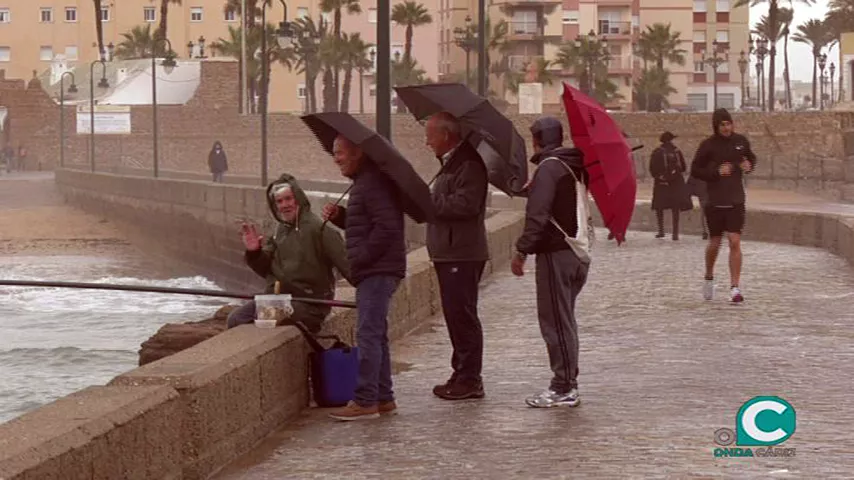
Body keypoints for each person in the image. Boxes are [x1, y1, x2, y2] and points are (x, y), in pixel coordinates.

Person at [322, 135, 407, 421]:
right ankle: (383, 398)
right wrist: (341, 217)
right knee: (377, 335)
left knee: (368, 335)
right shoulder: (366, 183)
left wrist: (360, 258)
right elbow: (369, 223)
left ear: (358, 153)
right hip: (379, 268)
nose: (335, 158)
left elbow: (388, 228)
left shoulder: (370, 184)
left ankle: (365, 400)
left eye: (339, 152)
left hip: (377, 270)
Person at [510, 116, 591, 408]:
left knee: (556, 322)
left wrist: (522, 251)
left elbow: (539, 215)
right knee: (564, 320)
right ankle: (567, 382)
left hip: (556, 254)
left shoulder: (549, 168)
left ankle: (564, 386)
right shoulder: (573, 168)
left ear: (537, 140)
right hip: (578, 254)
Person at [227, 173, 351, 332]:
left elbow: (348, 266)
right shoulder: (280, 230)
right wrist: (254, 251)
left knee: (268, 320)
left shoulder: (320, 230)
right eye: (279, 201)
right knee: (236, 319)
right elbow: (265, 269)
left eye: (288, 199)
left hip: (309, 304)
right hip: (278, 299)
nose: (284, 205)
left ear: (298, 199)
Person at [423, 112, 490, 401]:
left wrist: (428, 202)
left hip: (461, 254)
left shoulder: (469, 165)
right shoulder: (452, 163)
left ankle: (470, 379)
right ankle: (460, 372)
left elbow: (467, 205)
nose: (427, 142)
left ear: (446, 135)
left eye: (430, 136)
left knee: (462, 316)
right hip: (449, 252)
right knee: (454, 316)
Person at [690, 108, 756, 303]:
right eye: (722, 125)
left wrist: (749, 166)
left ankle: (735, 287)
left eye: (729, 124)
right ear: (716, 126)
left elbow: (750, 158)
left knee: (734, 241)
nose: (726, 128)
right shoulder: (707, 146)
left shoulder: (740, 142)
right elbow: (695, 170)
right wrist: (716, 172)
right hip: (715, 201)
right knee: (715, 243)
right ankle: (709, 276)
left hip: (736, 199)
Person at [649, 131, 692, 240]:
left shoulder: (657, 152)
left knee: (660, 208)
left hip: (661, 182)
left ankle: (661, 231)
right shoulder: (677, 151)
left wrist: (660, 177)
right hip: (676, 182)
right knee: (675, 208)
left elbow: (652, 169)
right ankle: (675, 233)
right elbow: (683, 167)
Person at [686, 174, 710, 240]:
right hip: (705, 196)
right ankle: (707, 231)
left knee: (703, 215)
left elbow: (688, 186)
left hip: (701, 196)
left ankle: (705, 232)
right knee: (706, 214)